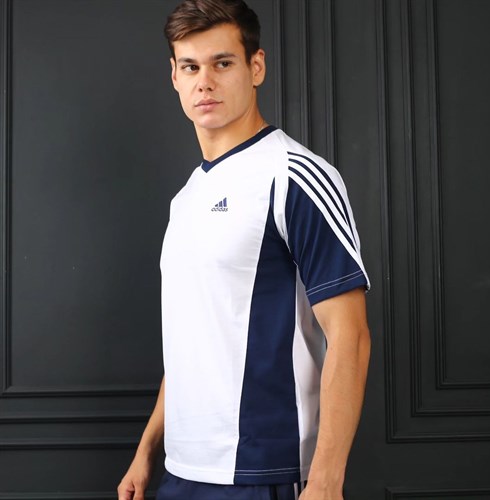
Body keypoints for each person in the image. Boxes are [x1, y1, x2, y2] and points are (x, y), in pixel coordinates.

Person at [117, 0, 371, 499]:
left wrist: (326, 482)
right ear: (174, 76)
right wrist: (146, 451)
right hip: (181, 470)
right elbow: (196, 338)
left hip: (264, 471)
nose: (204, 82)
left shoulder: (295, 176)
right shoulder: (186, 198)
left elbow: (351, 336)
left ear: (256, 67)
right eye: (191, 67)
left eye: (222, 63)